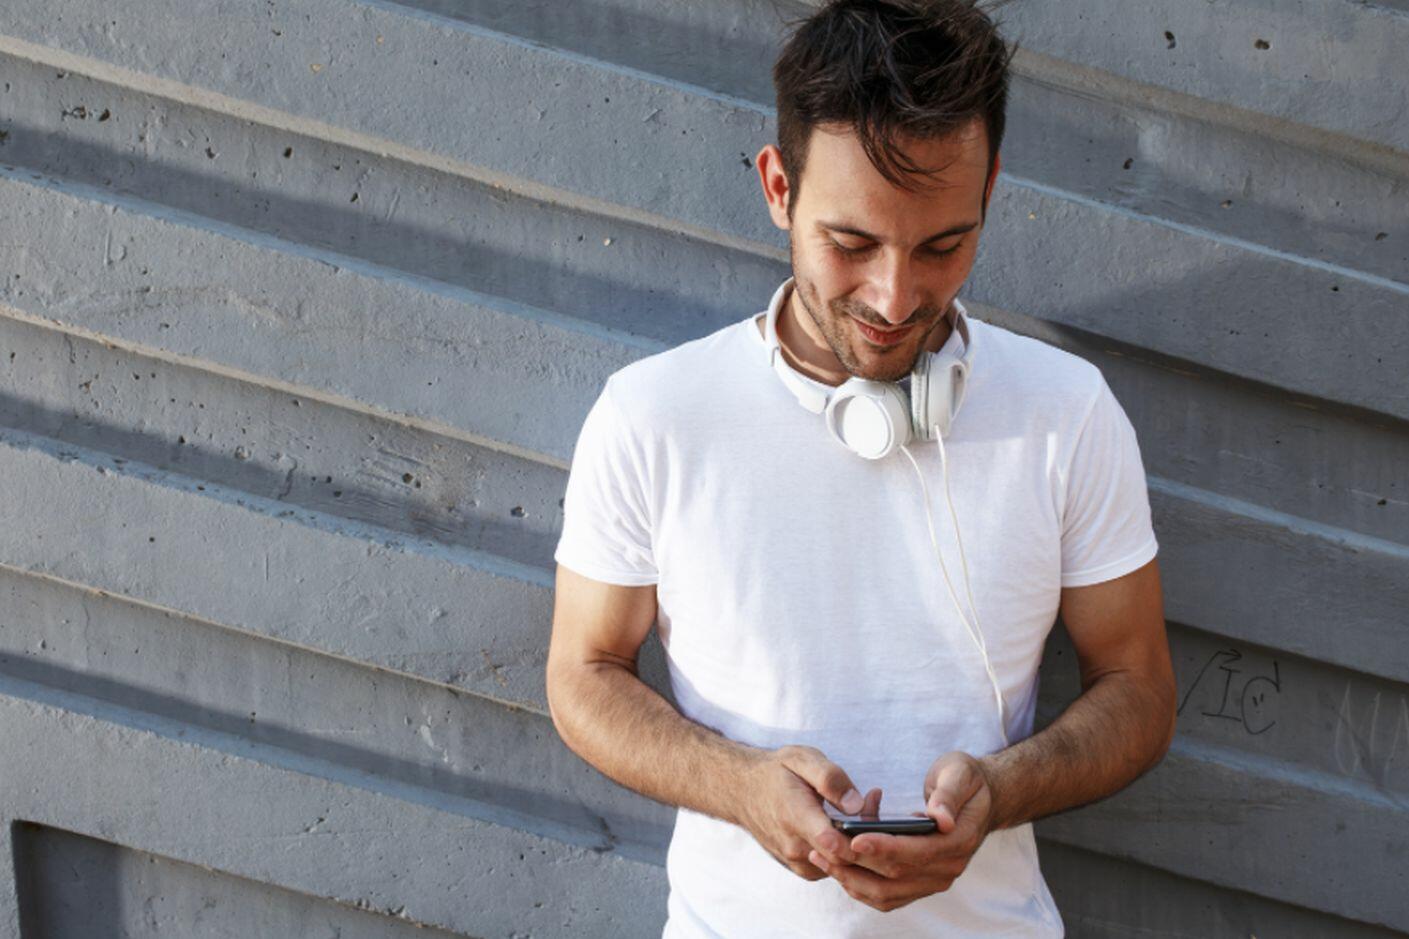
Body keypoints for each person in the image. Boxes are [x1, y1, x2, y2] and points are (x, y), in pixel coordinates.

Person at [545, 0, 1177, 935]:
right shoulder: (653, 416)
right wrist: (736, 783)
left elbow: (1139, 687)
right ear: (778, 187)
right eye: (851, 244)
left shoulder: (1066, 411)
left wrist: (1001, 790)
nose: (893, 296)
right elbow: (581, 673)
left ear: (990, 190)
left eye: (942, 245)